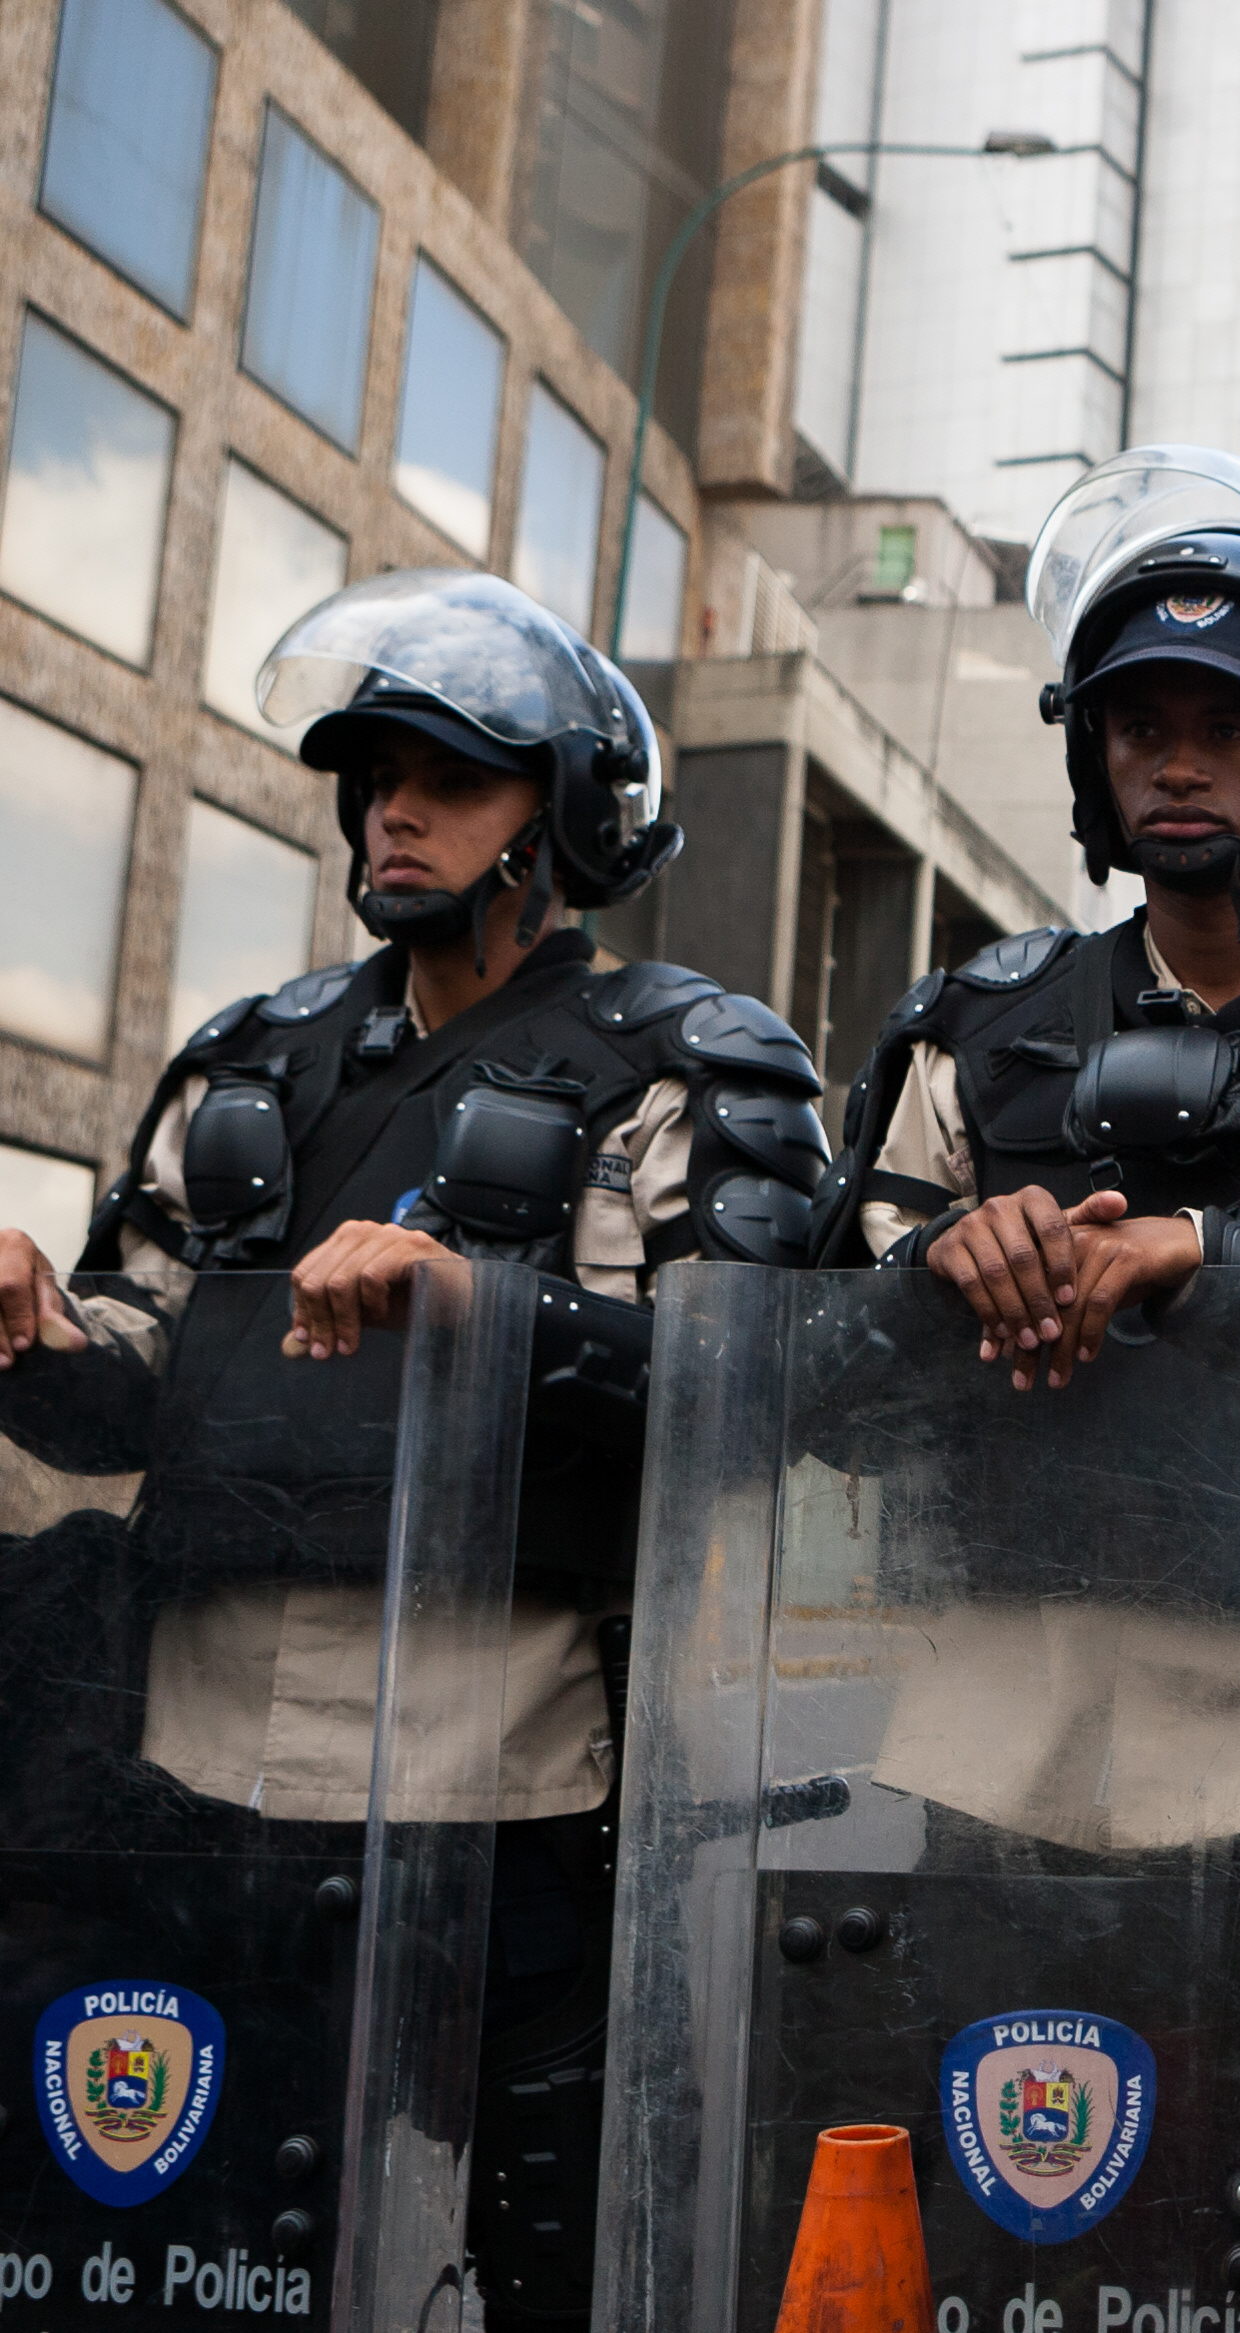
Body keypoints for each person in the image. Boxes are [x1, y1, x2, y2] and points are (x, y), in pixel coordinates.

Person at [0, 568, 830, 2323]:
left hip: (510, 1782)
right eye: (376, 770)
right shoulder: (253, 1055)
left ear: (565, 814)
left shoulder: (686, 1060)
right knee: (191, 2250)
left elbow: (767, 1388)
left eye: (448, 775)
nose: (394, 805)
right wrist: (36, 1329)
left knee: (522, 2259)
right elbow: (130, 1376)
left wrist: (488, 1311)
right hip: (199, 1779)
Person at [809, 446, 1240, 1364]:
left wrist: (1211, 1246)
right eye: (1140, 727)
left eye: (1229, 726)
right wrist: (939, 1259)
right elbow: (818, 1376)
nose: (1179, 767)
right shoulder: (973, 1031)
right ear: (1095, 755)